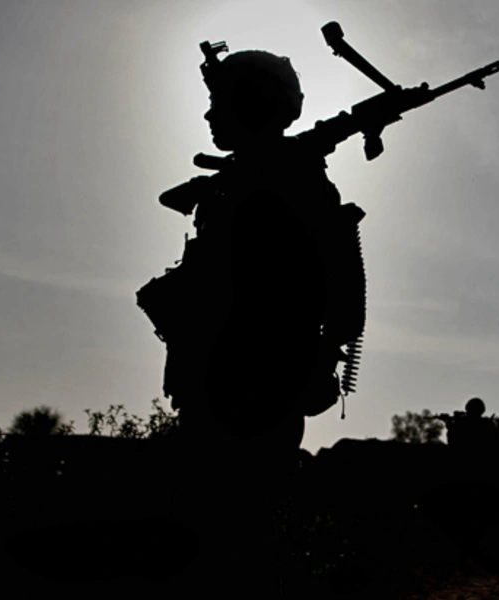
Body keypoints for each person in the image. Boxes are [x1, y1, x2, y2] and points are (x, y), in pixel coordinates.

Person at [142, 45, 351, 594]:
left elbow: (293, 292)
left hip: (251, 392)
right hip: (220, 386)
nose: (210, 116)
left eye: (220, 103)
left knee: (235, 548)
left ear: (252, 104)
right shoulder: (244, 184)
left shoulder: (285, 184)